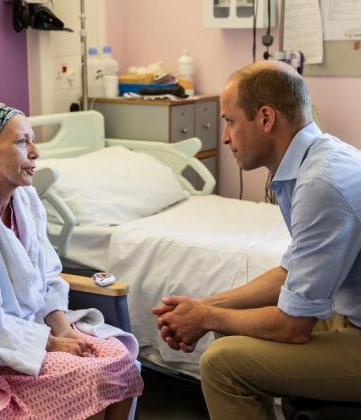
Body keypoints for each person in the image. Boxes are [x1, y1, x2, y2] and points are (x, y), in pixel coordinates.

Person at [152, 60, 361, 420]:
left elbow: (293, 327)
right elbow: (289, 272)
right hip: (352, 315)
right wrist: (203, 307)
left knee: (221, 364)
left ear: (266, 119)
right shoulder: (316, 161)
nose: (225, 137)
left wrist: (206, 317)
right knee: (228, 323)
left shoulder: (320, 184)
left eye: (230, 121)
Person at [0, 89, 143, 419]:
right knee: (91, 376)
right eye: (22, 142)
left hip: (37, 328)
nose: (35, 152)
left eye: (32, 140)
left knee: (121, 360)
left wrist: (63, 330)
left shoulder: (26, 198)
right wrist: (49, 343)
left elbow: (48, 276)